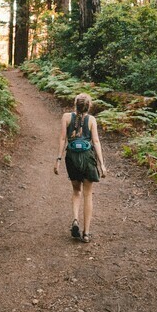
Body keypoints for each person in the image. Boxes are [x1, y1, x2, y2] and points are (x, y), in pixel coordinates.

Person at [54, 92, 106, 242]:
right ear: (89, 106)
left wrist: (58, 159)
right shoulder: (91, 120)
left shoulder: (66, 117)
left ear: (75, 105)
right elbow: (96, 142)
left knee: (76, 190)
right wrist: (102, 164)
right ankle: (86, 233)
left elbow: (63, 139)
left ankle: (75, 219)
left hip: (72, 158)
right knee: (87, 195)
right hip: (87, 158)